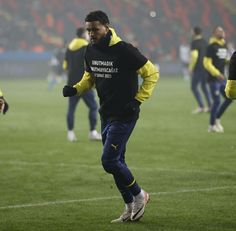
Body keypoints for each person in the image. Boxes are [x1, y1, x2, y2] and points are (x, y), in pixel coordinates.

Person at [62, 11, 159, 222]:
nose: (91, 34)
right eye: (88, 30)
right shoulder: (90, 50)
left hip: (125, 115)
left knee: (109, 161)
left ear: (106, 26)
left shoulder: (125, 50)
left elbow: (151, 73)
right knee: (117, 162)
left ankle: (140, 195)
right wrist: (75, 89)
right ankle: (129, 207)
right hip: (105, 113)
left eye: (95, 29)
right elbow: (90, 78)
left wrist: (137, 100)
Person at [63, 27, 101, 141]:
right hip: (85, 84)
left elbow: (65, 66)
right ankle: (92, 132)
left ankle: (70, 133)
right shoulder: (88, 47)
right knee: (93, 107)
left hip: (71, 84)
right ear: (84, 35)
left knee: (71, 108)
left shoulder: (69, 48)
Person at [203, 26, 233, 132]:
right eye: (219, 31)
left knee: (229, 97)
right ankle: (211, 126)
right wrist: (216, 73)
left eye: (222, 30)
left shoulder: (224, 45)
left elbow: (223, 61)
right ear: (214, 33)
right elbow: (206, 63)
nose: (222, 32)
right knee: (217, 101)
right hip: (213, 79)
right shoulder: (211, 46)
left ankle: (217, 118)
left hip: (222, 78)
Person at [188, 26, 212, 114]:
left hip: (198, 67)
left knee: (194, 87)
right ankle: (210, 106)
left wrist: (190, 67)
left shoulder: (194, 43)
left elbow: (194, 56)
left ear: (194, 32)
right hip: (206, 67)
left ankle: (201, 106)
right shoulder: (205, 42)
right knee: (204, 86)